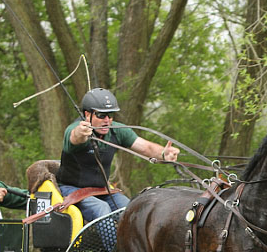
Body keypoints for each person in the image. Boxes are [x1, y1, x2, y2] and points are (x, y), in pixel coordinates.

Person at [57, 87, 180, 222]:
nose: (107, 120)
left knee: (130, 209)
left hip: (102, 190)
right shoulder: (76, 129)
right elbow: (75, 137)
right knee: (101, 209)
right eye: (101, 115)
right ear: (87, 115)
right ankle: (112, 244)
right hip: (72, 190)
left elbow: (145, 147)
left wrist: (163, 153)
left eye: (110, 115)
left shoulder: (117, 131)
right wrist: (80, 133)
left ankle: (129, 243)